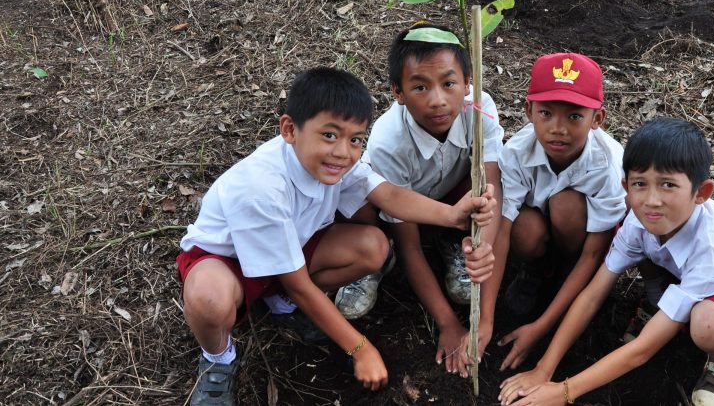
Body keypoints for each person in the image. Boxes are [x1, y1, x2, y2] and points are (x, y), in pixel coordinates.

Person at [177, 67, 496, 406]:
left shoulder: (337, 164)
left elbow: (389, 195)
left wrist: (451, 215)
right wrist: (360, 348)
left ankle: (278, 301)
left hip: (290, 251)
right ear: (289, 129)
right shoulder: (261, 189)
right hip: (228, 262)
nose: (343, 152)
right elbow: (300, 284)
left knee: (373, 247)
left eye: (356, 139)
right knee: (210, 299)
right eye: (329, 135)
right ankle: (218, 359)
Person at [498, 117, 714, 406]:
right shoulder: (639, 223)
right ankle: (664, 305)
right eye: (640, 184)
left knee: (707, 324)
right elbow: (592, 294)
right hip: (688, 273)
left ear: (701, 192)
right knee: (646, 245)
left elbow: (642, 351)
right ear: (626, 186)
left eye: (668, 185)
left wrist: (563, 392)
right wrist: (544, 369)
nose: (652, 200)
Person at [335, 23, 506, 378]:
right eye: (420, 87)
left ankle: (454, 244)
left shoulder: (480, 109)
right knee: (360, 204)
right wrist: (446, 323)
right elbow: (411, 244)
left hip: (454, 201)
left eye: (449, 83)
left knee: (465, 283)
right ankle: (378, 261)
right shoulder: (388, 141)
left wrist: (483, 248)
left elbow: (492, 184)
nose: (438, 100)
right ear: (398, 92)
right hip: (403, 209)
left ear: (468, 81)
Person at [495, 52, 627, 372]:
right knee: (522, 228)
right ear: (529, 112)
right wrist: (485, 319)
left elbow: (595, 254)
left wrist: (540, 326)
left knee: (565, 204)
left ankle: (566, 279)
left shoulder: (608, 165)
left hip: (579, 246)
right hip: (539, 233)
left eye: (574, 116)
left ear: (597, 119)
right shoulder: (515, 153)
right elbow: (502, 227)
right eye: (546, 113)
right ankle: (537, 272)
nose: (558, 129)